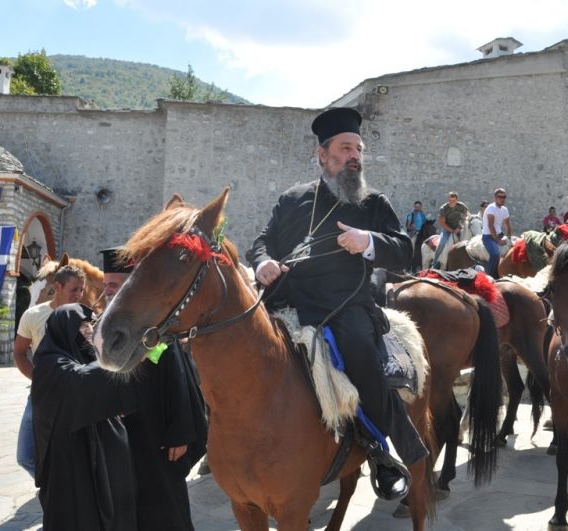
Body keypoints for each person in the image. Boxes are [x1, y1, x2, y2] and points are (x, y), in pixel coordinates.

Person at [249, 107, 427, 500]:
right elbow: (262, 242)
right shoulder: (292, 199)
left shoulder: (372, 203)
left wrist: (368, 242)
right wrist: (262, 263)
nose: (355, 156)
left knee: (360, 351)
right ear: (322, 155)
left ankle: (385, 447)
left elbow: (405, 250)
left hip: (344, 304)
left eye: (359, 149)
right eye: (346, 148)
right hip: (286, 300)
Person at [99, 247, 207, 530]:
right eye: (105, 284)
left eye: (113, 285)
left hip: (158, 431)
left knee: (165, 505)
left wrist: (180, 432)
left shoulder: (152, 328)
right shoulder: (105, 321)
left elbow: (177, 375)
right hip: (125, 433)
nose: (107, 291)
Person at [32, 304, 137, 531]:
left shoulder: (82, 355)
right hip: (71, 460)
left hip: (99, 455)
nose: (89, 330)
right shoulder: (49, 362)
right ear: (65, 329)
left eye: (90, 324)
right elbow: (81, 382)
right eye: (81, 325)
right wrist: (119, 356)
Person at [13, 265, 86, 477]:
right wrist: (38, 378)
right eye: (74, 289)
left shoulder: (86, 317)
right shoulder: (33, 315)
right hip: (42, 393)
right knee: (25, 455)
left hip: (76, 394)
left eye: (81, 290)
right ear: (57, 286)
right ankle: (50, 484)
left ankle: (62, 489)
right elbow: (19, 353)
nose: (78, 295)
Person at [431, 191, 469, 268]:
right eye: (450, 200)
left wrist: (459, 226)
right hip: (447, 229)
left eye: (454, 200)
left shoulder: (462, 206)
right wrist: (452, 230)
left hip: (459, 228)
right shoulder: (443, 208)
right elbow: (442, 223)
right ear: (448, 199)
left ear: (457, 200)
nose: (452, 202)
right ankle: (434, 263)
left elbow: (466, 216)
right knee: (442, 243)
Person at [481, 188, 512, 278]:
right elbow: (491, 226)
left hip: (499, 235)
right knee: (495, 254)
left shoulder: (505, 209)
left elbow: (508, 225)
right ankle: (488, 277)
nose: (502, 199)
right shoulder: (491, 208)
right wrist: (498, 241)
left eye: (504, 197)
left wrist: (509, 238)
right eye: (500, 197)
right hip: (488, 236)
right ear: (495, 197)